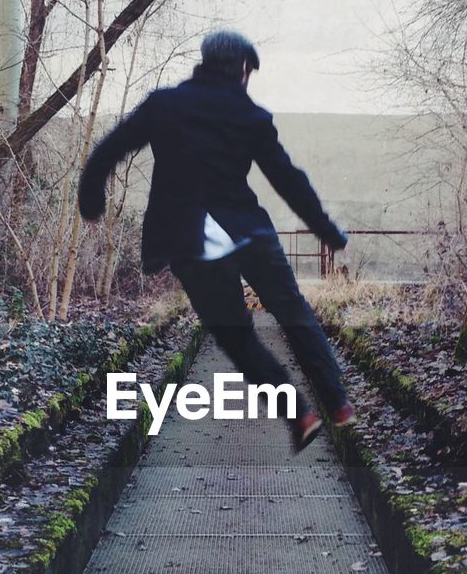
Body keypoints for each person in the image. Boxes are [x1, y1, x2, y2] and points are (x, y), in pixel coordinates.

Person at [78, 29, 354, 453]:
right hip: (249, 232)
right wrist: (326, 230)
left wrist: (91, 200)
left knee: (236, 335)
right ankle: (336, 403)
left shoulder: (164, 105)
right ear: (244, 69)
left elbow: (108, 151)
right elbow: (287, 179)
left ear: (205, 62)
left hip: (191, 239)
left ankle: (299, 411)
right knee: (293, 311)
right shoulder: (252, 118)